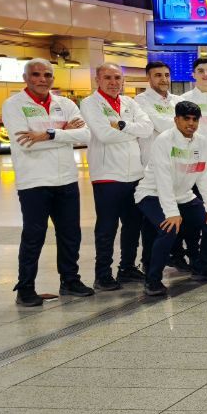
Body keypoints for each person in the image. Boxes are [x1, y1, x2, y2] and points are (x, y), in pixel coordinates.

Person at [5, 59, 94, 306]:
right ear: (26, 78)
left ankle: (70, 280)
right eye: (36, 74)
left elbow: (85, 135)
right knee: (34, 235)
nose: (42, 79)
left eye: (47, 74)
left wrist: (49, 133)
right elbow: (26, 143)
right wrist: (65, 131)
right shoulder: (14, 105)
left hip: (66, 179)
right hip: (34, 181)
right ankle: (25, 288)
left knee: (70, 233)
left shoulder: (65, 104)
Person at [134, 101, 207, 296]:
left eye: (195, 119)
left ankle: (202, 267)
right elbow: (163, 179)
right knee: (169, 228)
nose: (191, 123)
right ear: (176, 120)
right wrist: (172, 213)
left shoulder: (202, 142)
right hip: (152, 194)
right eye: (186, 119)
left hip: (183, 195)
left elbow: (204, 175)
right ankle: (152, 280)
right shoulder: (164, 141)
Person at [80, 63, 153, 291]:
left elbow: (147, 128)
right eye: (108, 78)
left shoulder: (129, 102)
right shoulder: (90, 103)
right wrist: (132, 131)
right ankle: (102, 274)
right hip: (107, 175)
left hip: (135, 174)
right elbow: (104, 134)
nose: (113, 82)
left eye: (117, 78)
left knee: (133, 224)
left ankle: (127, 268)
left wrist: (121, 125)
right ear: (98, 80)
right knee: (107, 227)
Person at [134, 61, 183, 163]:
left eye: (167, 75)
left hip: (178, 158)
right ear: (148, 78)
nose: (164, 79)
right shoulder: (141, 100)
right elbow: (161, 125)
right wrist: (182, 124)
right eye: (158, 75)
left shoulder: (179, 100)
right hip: (153, 160)